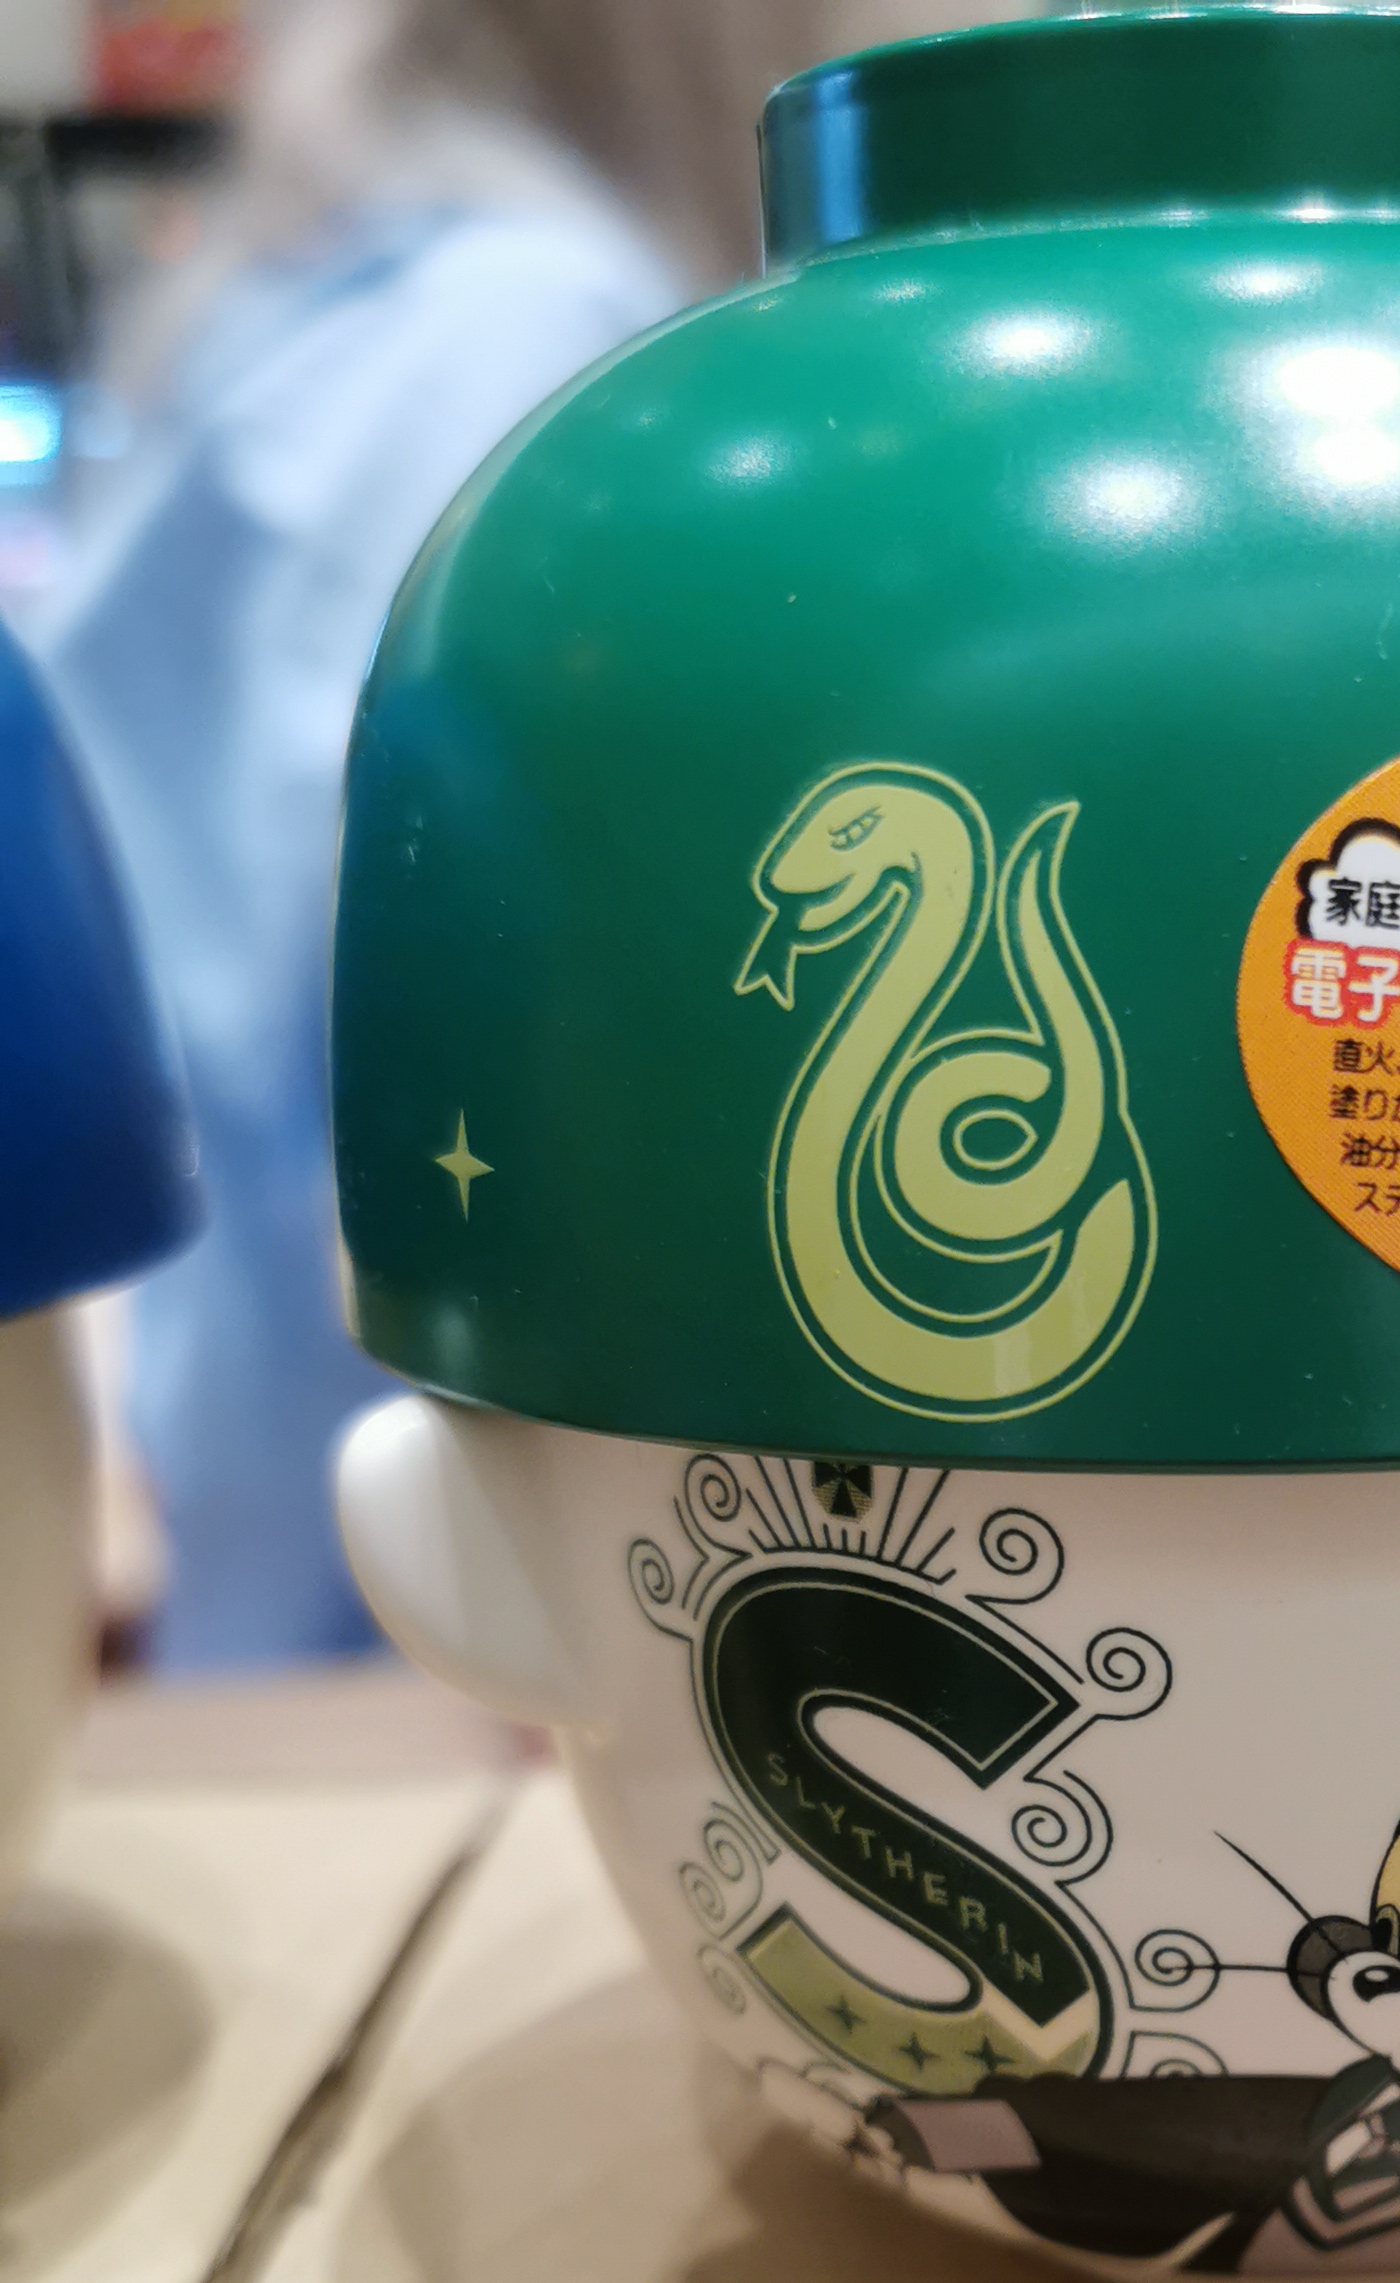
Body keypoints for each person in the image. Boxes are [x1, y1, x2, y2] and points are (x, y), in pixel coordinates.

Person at [27, 0, 835, 1667]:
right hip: (432, 1462)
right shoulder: (533, 336)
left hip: (272, 1398)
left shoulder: (289, 303)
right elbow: (435, 941)